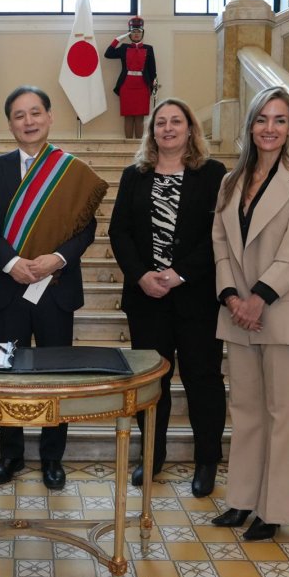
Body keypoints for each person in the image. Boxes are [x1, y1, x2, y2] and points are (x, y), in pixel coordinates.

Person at [0, 86, 104, 490]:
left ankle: (52, 457)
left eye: (35, 113)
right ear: (9, 123)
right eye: (18, 115)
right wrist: (12, 263)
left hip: (56, 287)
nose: (28, 121)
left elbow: (87, 227)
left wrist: (57, 258)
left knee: (54, 375)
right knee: (8, 374)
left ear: (50, 118)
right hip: (9, 288)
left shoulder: (70, 170)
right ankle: (10, 454)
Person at [210, 86, 289, 540]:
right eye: (262, 119)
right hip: (238, 313)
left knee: (280, 414)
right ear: (250, 126)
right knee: (246, 411)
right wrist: (232, 297)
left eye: (279, 121)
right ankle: (241, 500)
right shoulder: (230, 182)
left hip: (280, 311)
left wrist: (258, 297)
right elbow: (219, 243)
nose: (269, 129)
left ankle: (273, 509)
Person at [108, 98, 227, 498]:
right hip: (147, 299)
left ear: (191, 129)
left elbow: (218, 234)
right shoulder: (134, 175)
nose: (169, 128)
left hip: (196, 299)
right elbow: (119, 232)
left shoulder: (212, 174)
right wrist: (142, 275)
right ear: (152, 131)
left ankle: (207, 460)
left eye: (177, 121)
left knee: (202, 379)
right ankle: (152, 456)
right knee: (153, 382)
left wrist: (179, 273)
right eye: (161, 122)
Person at [104, 17, 157, 139]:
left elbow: (152, 70)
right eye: (133, 32)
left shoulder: (149, 49)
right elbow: (108, 54)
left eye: (139, 32)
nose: (136, 34)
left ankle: (138, 147)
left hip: (142, 86)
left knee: (140, 117)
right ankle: (127, 145)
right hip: (126, 86)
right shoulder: (123, 48)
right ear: (129, 34)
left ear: (142, 33)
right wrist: (117, 40)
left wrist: (152, 86)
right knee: (128, 116)